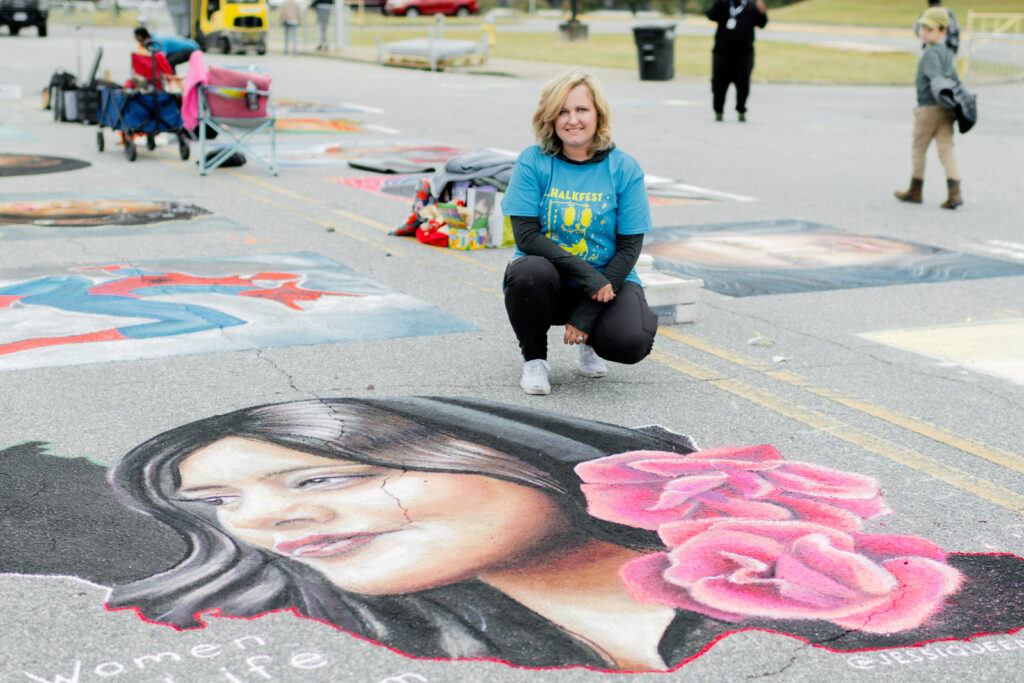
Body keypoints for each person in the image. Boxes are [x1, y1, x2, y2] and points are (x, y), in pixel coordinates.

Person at [104, 397, 1024, 671]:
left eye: (320, 476)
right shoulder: (434, 636)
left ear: (524, 452)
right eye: (219, 506)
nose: (266, 521)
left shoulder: (944, 597)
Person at [501, 69, 658, 396]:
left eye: (581, 109)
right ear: (549, 118)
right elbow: (526, 236)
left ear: (598, 114)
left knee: (630, 342)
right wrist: (589, 277)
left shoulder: (624, 168)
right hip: (551, 281)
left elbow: (630, 248)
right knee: (528, 273)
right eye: (562, 111)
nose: (572, 120)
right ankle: (535, 360)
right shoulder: (533, 161)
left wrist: (587, 314)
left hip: (607, 282)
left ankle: (590, 341)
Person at [894, 7, 963, 210]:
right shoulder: (948, 53)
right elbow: (954, 79)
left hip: (928, 108)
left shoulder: (930, 53)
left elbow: (937, 80)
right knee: (946, 150)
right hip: (946, 109)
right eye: (922, 27)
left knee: (919, 148)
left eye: (929, 29)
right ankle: (955, 191)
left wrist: (936, 98)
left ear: (942, 31)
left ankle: (915, 189)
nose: (924, 32)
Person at [705, 0, 767, 122]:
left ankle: (741, 110)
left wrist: (762, 11)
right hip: (722, 53)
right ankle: (719, 110)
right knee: (719, 84)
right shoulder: (723, 4)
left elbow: (762, 24)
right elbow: (711, 15)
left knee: (743, 84)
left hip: (744, 54)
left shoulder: (750, 6)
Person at [133, 25, 199, 70]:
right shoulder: (152, 38)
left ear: (139, 37)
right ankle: (171, 79)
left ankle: (171, 81)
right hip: (186, 47)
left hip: (190, 49)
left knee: (166, 64)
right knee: (166, 63)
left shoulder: (157, 41)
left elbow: (161, 57)